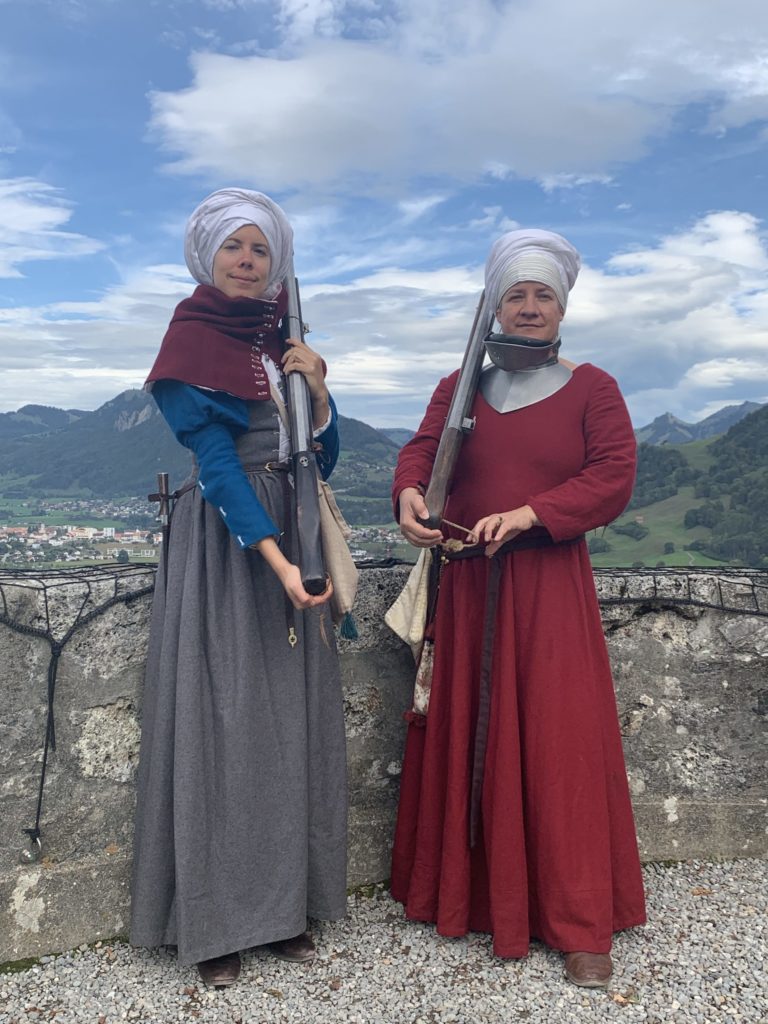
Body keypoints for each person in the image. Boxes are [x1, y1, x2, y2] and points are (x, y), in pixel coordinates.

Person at [390, 229, 646, 988]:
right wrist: (408, 491)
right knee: (469, 732)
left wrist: (534, 513)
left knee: (560, 744)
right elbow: (421, 450)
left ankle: (577, 922)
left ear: (562, 306)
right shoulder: (459, 384)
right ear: (496, 306)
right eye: (516, 295)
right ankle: (468, 899)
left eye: (542, 295)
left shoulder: (593, 387)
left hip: (548, 590)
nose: (529, 307)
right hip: (468, 587)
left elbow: (613, 476)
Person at [130, 188, 347, 989]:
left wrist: (319, 392)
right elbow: (217, 464)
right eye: (235, 249)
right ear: (208, 258)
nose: (249, 261)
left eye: (261, 251)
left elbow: (321, 461)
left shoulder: (281, 344)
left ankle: (285, 906)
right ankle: (217, 920)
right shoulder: (192, 341)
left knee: (291, 725)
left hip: (294, 533)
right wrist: (281, 562)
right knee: (225, 726)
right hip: (233, 547)